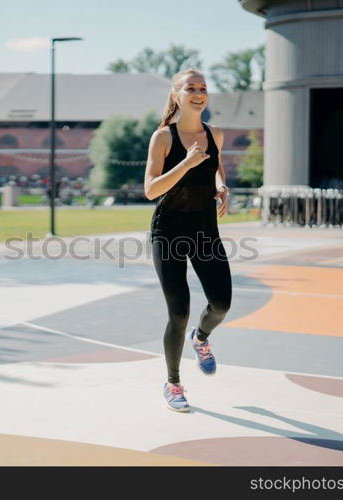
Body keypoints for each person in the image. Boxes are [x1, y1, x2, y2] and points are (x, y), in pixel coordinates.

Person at [144, 68, 232, 412]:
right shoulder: (163, 138)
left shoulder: (216, 134)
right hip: (169, 232)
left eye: (203, 88)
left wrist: (222, 186)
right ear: (175, 95)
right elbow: (151, 189)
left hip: (205, 230)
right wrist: (186, 163)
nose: (198, 93)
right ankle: (173, 382)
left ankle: (202, 338)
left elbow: (217, 167)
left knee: (221, 304)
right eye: (190, 88)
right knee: (178, 311)